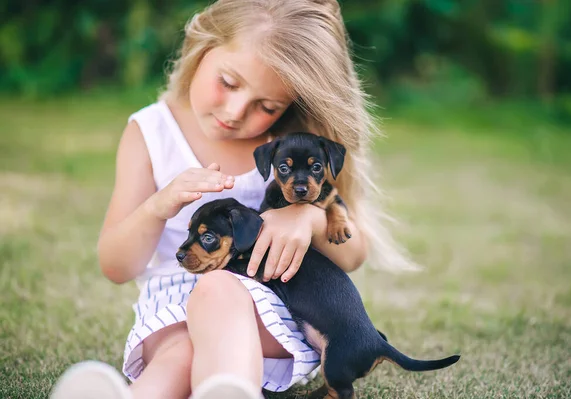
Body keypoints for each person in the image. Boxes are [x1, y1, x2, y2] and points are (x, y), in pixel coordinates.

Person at [50, 1, 417, 398]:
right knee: (180, 352)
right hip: (172, 309)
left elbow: (353, 253)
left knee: (218, 292)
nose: (236, 111)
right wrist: (159, 206)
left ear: (290, 106)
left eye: (268, 106)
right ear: (201, 45)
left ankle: (231, 388)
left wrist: (308, 220)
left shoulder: (289, 150)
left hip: (265, 306)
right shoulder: (151, 132)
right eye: (228, 81)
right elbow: (115, 265)